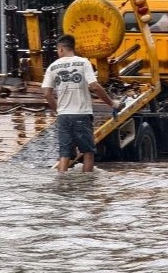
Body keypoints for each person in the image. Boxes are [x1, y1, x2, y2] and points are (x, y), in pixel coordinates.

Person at [42, 34, 121, 173]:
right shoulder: (83, 62)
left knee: (64, 155)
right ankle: (86, 187)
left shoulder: (52, 67)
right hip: (81, 115)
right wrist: (111, 103)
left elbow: (47, 94)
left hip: (63, 117)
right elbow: (94, 86)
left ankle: (62, 185)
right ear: (73, 47)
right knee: (88, 153)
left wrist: (58, 111)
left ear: (61, 49)